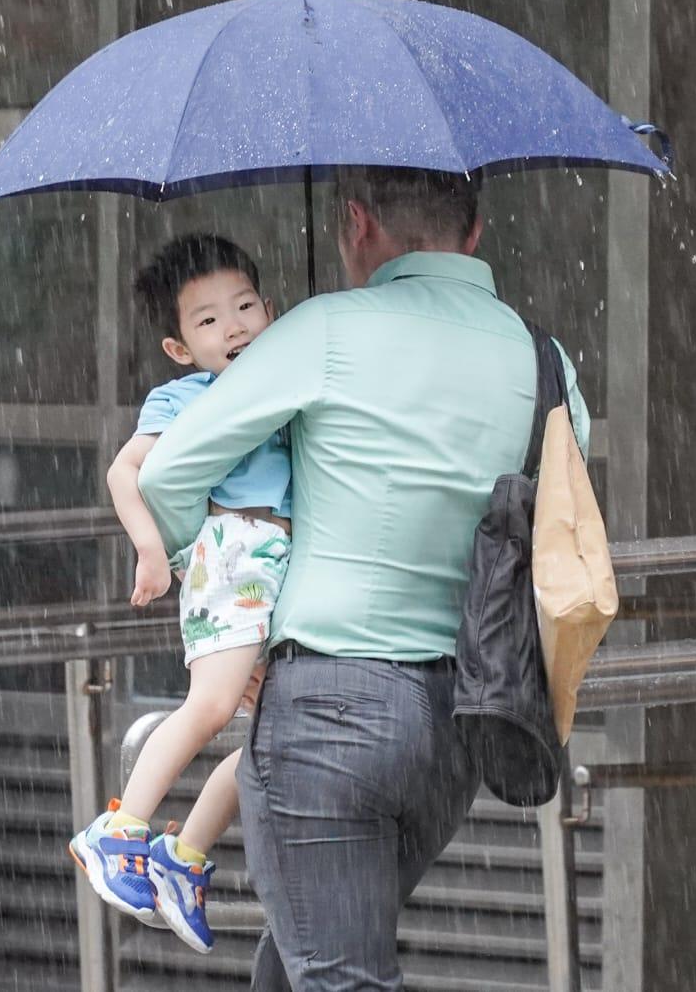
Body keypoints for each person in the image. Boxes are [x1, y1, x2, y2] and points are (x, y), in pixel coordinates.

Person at [137, 167, 590, 989]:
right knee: (307, 958)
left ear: (355, 224)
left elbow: (167, 473)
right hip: (460, 723)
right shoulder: (544, 358)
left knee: (335, 972)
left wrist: (221, 608)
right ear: (475, 234)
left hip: (329, 713)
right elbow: (559, 519)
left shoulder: (323, 329)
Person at [68, 233, 291, 954]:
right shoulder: (186, 396)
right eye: (206, 320)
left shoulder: (286, 384)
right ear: (178, 348)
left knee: (274, 736)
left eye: (246, 306)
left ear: (271, 310)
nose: (233, 326)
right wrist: (148, 552)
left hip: (284, 571)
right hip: (234, 556)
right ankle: (119, 831)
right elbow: (122, 472)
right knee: (212, 706)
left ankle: (181, 858)